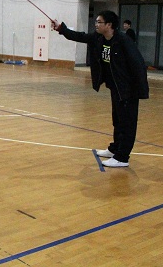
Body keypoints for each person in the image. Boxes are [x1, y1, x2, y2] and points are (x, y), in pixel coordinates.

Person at [53, 10, 149, 168]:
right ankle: (115, 149)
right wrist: (62, 28)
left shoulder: (123, 41)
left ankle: (122, 157)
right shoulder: (99, 38)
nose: (96, 25)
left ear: (109, 25)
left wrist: (140, 90)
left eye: (99, 22)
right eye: (96, 22)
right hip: (115, 88)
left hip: (128, 89)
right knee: (117, 120)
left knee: (127, 123)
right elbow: (80, 36)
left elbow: (138, 64)